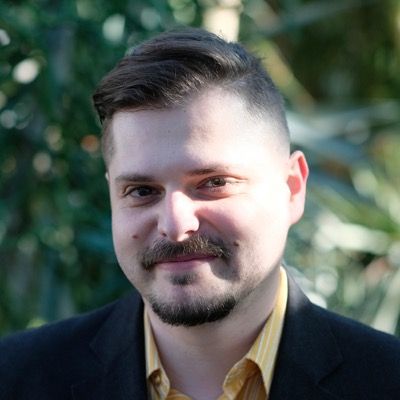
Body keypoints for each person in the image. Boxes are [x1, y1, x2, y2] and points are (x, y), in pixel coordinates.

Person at [0, 27, 399, 400]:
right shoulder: (15, 377)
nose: (176, 225)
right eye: (141, 191)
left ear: (292, 189)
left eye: (214, 182)